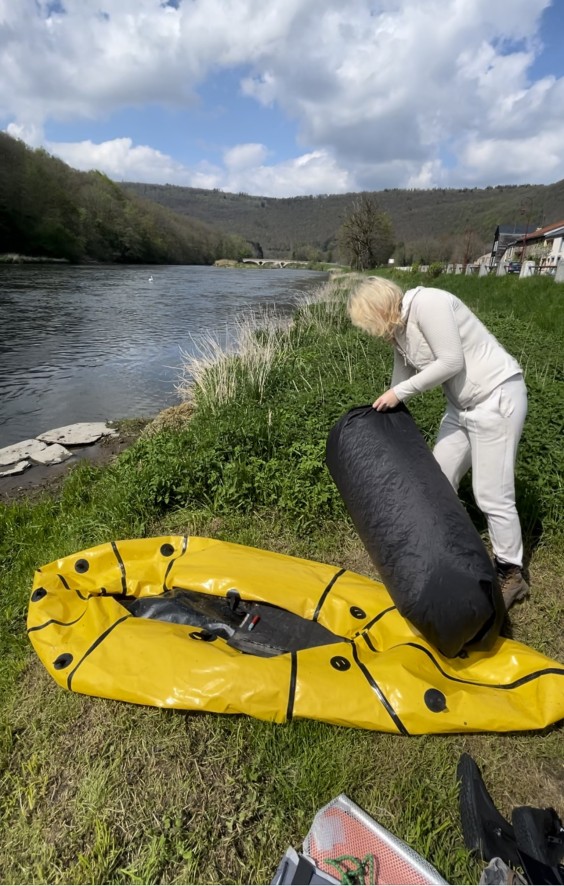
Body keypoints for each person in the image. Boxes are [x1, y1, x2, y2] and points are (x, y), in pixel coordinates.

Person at [347, 275, 529, 610]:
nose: (372, 331)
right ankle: (448, 552)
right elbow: (400, 380)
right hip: (461, 408)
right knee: (437, 481)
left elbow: (451, 362)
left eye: (369, 322)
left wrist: (398, 394)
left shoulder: (429, 303)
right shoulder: (397, 332)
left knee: (491, 494)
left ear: (380, 309)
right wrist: (384, 408)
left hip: (496, 399)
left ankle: (511, 573)